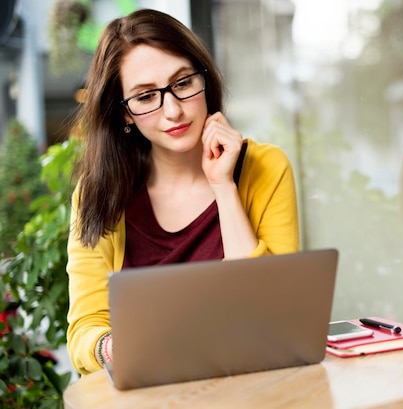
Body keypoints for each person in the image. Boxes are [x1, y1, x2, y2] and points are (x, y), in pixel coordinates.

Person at [66, 9, 300, 375]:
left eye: (183, 83)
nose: (173, 110)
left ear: (204, 79)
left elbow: (277, 313)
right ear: (125, 113)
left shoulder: (265, 167)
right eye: (145, 98)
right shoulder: (98, 193)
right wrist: (118, 347)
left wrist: (224, 187)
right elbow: (84, 330)